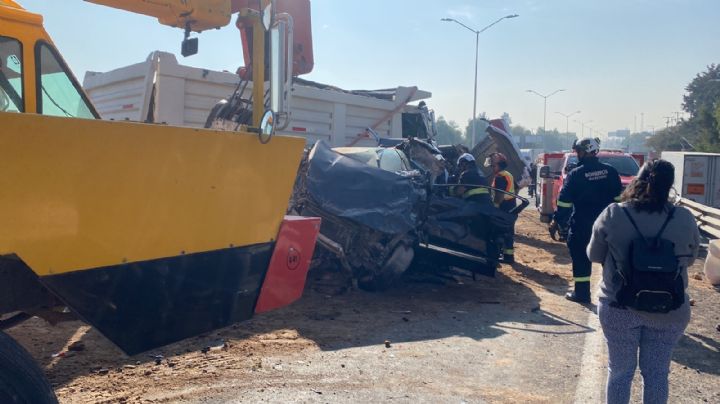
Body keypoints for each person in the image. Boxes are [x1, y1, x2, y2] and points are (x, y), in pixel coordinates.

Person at [587, 159, 699, 404]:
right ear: (670, 185)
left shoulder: (614, 213)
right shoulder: (684, 217)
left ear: (638, 180)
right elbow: (690, 260)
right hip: (670, 308)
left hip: (619, 305)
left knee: (620, 373)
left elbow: (594, 255)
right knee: (657, 374)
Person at [552, 137, 621, 303]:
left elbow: (564, 202)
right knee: (612, 260)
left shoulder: (576, 174)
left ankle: (582, 294)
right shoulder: (610, 171)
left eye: (578, 151)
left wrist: (558, 221)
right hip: (609, 224)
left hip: (583, 225)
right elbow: (620, 200)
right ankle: (616, 295)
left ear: (585, 151)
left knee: (581, 258)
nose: (577, 154)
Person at [485, 152, 517, 263]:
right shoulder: (508, 174)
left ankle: (505, 256)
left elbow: (499, 195)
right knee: (508, 231)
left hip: (504, 207)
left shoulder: (500, 177)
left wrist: (494, 208)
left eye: (493, 166)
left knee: (501, 231)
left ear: (499, 165)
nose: (492, 168)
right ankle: (508, 256)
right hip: (511, 206)